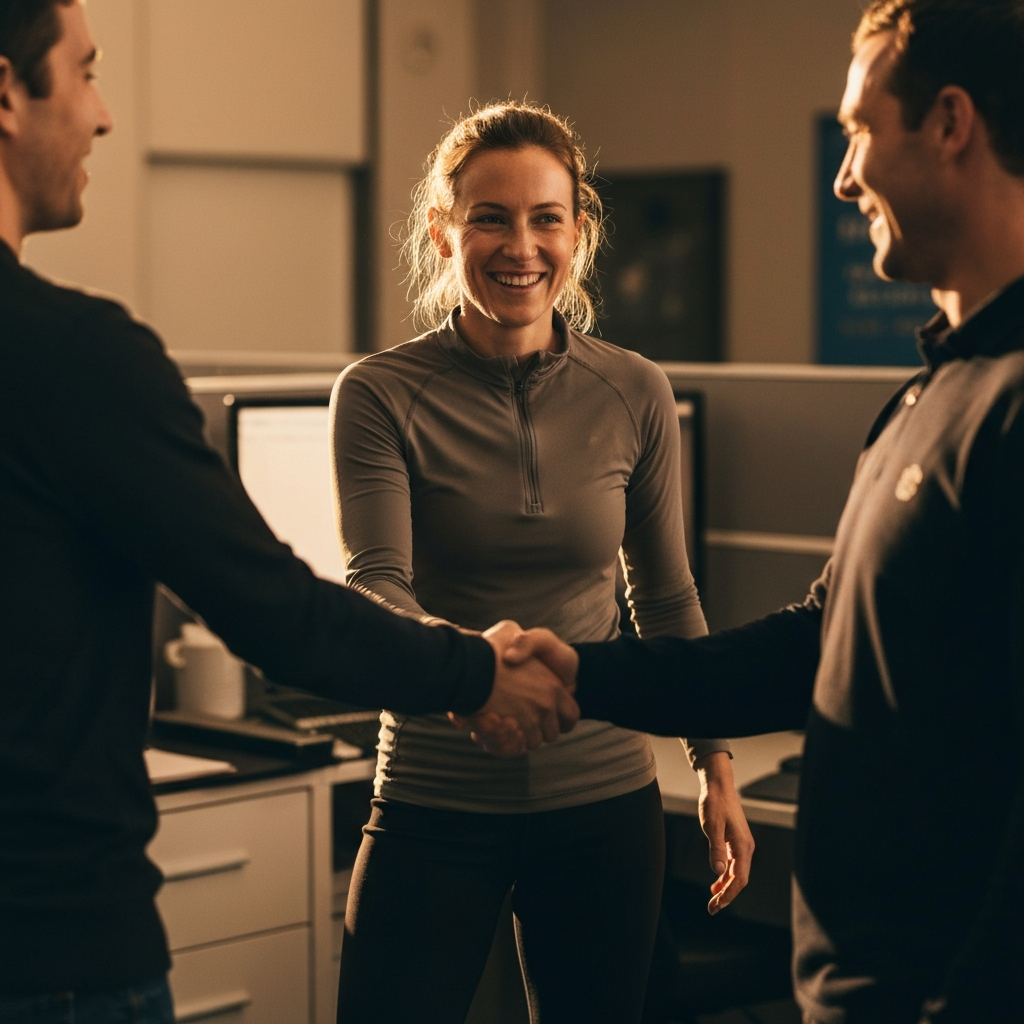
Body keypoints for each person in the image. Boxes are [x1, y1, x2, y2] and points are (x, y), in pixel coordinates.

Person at [0, 2, 577, 1019]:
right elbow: (277, 612)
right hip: (50, 946)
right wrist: (478, 669)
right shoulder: (72, 360)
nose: (102, 117)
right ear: (8, 92)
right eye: (85, 72)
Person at [495, 2, 1024, 1022]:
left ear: (951, 123)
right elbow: (816, 649)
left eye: (860, 130)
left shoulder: (1012, 407)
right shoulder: (926, 398)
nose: (841, 174)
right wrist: (585, 670)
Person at [330, 101, 753, 1024]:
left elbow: (665, 594)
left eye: (544, 218)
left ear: (580, 233)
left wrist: (713, 761)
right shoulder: (378, 394)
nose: (519, 245)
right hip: (433, 795)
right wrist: (477, 672)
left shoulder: (634, 388)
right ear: (444, 231)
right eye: (490, 216)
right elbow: (377, 586)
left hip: (602, 802)